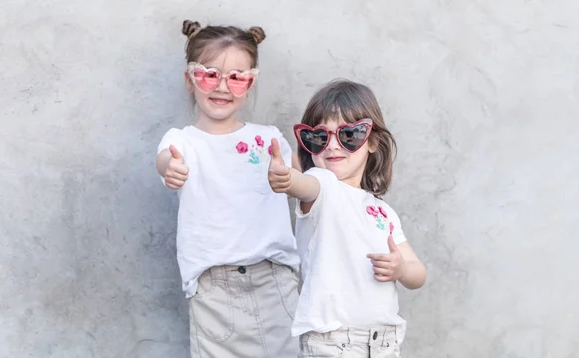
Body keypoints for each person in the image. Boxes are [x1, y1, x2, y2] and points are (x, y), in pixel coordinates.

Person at [156, 20, 299, 358]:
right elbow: (165, 160)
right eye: (209, 74)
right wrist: (170, 168)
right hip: (212, 288)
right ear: (190, 79)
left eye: (236, 77)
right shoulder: (183, 141)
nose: (222, 87)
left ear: (250, 83)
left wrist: (289, 178)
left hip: (274, 279)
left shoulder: (270, 139)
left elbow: (303, 186)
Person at [268, 79, 427, 357]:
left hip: (384, 341)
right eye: (319, 137)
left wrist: (401, 269)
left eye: (349, 136)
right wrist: (286, 179)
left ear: (373, 142)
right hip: (334, 342)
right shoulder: (323, 186)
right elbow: (303, 185)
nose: (332, 146)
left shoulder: (383, 212)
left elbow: (418, 273)